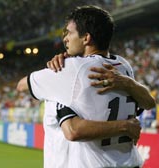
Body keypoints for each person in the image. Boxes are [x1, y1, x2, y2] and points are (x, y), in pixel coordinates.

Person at [17, 5, 155, 168]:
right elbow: (149, 103)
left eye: (69, 32)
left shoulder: (70, 69)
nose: (65, 38)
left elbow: (21, 85)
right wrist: (128, 83)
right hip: (130, 162)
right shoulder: (123, 66)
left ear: (86, 38)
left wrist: (56, 68)